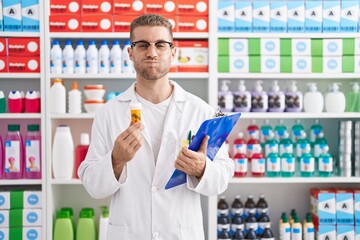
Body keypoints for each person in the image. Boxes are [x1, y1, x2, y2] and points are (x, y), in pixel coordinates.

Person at [78, 14, 234, 240]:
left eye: (160, 45)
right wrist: (116, 160)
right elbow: (93, 186)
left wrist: (202, 169)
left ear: (173, 52)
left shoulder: (202, 111)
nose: (152, 53)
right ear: (130, 53)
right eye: (142, 45)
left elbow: (222, 177)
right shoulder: (108, 113)